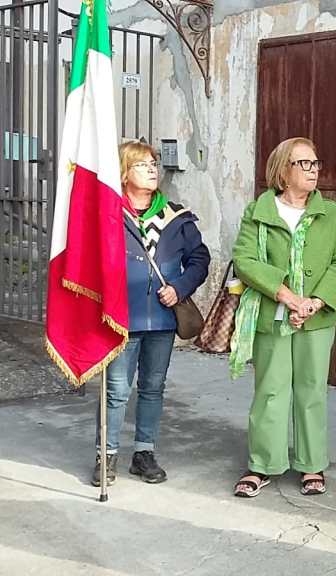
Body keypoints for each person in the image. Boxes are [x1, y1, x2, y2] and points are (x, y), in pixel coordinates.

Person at [230, 137, 336, 498]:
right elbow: (245, 259)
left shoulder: (330, 212)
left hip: (317, 317)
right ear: (283, 170)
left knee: (312, 390)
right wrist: (287, 296)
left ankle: (311, 463)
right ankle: (262, 464)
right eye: (304, 163)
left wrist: (315, 302)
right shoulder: (259, 211)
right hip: (273, 313)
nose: (313, 170)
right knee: (271, 389)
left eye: (315, 163)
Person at [93, 140, 210, 486]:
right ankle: (106, 454)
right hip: (120, 318)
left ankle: (143, 453)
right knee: (116, 390)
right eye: (142, 165)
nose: (152, 170)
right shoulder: (108, 214)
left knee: (153, 387)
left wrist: (180, 287)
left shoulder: (177, 217)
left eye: (154, 164)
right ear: (124, 173)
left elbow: (199, 259)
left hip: (162, 318)